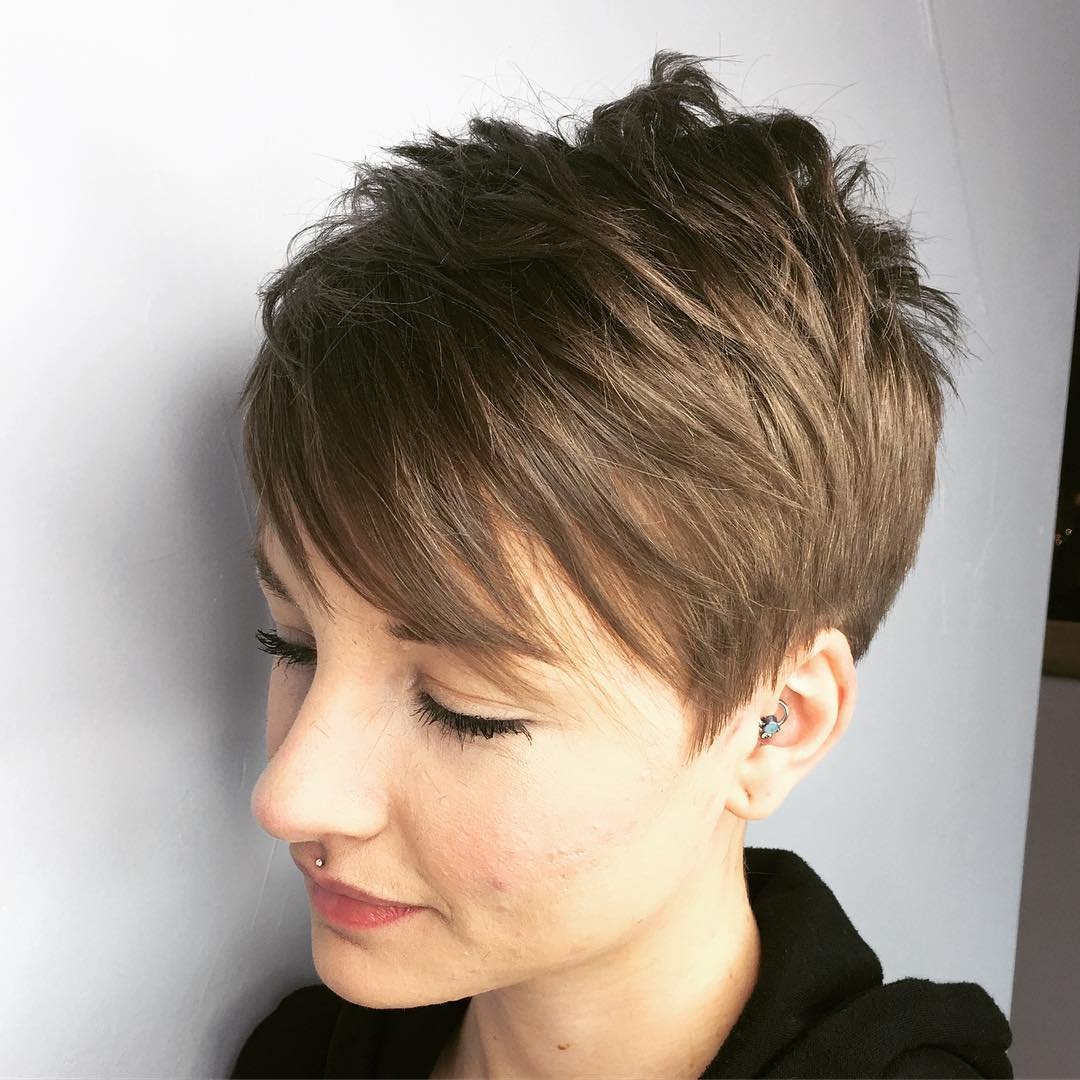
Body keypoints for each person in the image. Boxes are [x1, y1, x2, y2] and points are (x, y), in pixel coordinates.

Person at [228, 48, 1014, 1079]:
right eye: (291, 643)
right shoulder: (298, 1058)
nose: (289, 794)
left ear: (778, 722)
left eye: (466, 709)